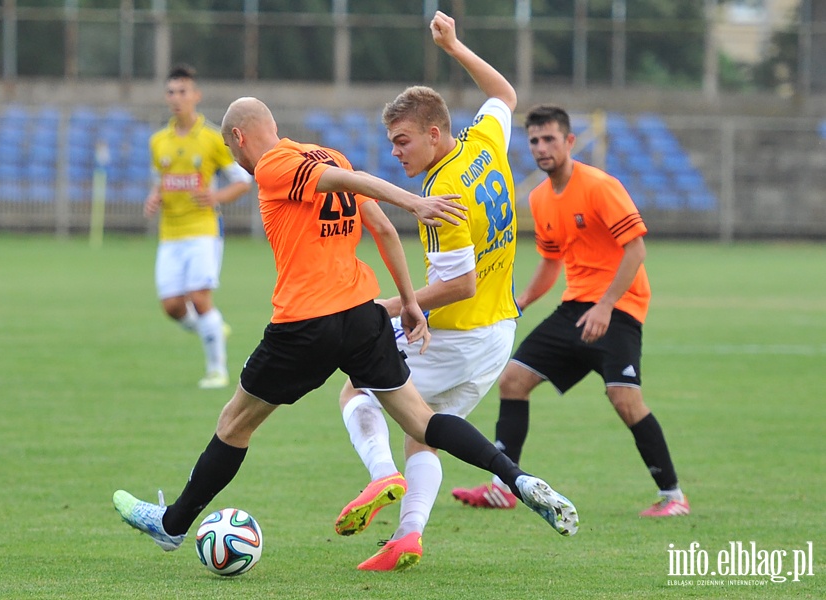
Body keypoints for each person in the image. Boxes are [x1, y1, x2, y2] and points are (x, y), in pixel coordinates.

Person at [113, 97, 578, 569]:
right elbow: (381, 229)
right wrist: (410, 301)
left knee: (235, 424)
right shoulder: (327, 153)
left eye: (233, 154)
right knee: (420, 421)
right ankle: (515, 478)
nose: (239, 164)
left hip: (304, 323)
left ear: (238, 138)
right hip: (362, 314)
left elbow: (348, 186)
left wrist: (413, 200)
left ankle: (172, 525)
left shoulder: (275, 165)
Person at [332, 10, 546, 572]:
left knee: (356, 386)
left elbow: (458, 283)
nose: (396, 152)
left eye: (403, 142)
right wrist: (454, 46)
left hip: (462, 331)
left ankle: (382, 477)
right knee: (421, 433)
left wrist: (393, 305)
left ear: (433, 132)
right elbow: (504, 91)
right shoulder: (482, 143)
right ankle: (407, 538)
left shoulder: (441, 197)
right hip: (498, 331)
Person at [451, 104, 689, 518]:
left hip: (620, 305)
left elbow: (636, 250)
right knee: (513, 380)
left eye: (550, 139)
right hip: (575, 307)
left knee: (624, 398)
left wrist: (606, 305)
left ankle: (673, 497)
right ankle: (503, 488)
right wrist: (520, 301)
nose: (541, 148)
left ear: (569, 142)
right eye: (534, 141)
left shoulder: (599, 186)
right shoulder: (541, 198)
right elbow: (550, 261)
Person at [144, 64, 253, 389]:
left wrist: (215, 196)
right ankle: (212, 328)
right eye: (171, 92)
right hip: (170, 233)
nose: (176, 98)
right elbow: (159, 182)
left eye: (182, 91)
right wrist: (155, 198)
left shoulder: (210, 138)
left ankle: (217, 370)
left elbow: (243, 181)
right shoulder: (158, 141)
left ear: (195, 95)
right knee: (172, 306)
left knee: (200, 298)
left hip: (203, 231)